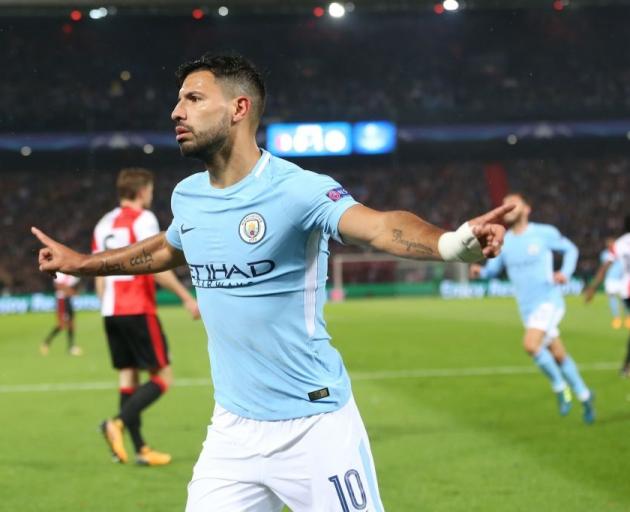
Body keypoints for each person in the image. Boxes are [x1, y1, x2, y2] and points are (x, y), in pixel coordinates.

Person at [32, 53, 510, 511]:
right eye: (179, 100)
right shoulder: (189, 195)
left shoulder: (296, 188)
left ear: (239, 108)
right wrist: (83, 264)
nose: (176, 111)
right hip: (232, 431)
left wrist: (452, 244)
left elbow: (380, 226)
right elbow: (166, 249)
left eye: (194, 99)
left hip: (313, 427)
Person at [92, 167, 200, 466]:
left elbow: (98, 271)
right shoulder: (144, 220)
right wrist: (186, 297)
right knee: (163, 377)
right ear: (142, 192)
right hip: (137, 307)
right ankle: (117, 423)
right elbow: (157, 266)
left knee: (128, 376)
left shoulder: (103, 224)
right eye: (150, 191)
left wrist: (107, 306)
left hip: (111, 310)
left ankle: (139, 449)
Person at [470, 192, 595, 424]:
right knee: (558, 355)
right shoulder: (504, 241)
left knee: (530, 344)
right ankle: (585, 396)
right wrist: (480, 272)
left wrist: (565, 273)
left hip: (549, 301)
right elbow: (492, 270)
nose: (508, 207)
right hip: (527, 309)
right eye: (504, 204)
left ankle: (560, 390)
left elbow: (571, 250)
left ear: (527, 209)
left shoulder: (543, 233)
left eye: (513, 204)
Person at [584, 216, 630, 375]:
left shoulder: (619, 244)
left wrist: (592, 288)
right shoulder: (619, 244)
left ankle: (626, 366)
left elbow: (605, 266)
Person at [40, 272, 83, 356]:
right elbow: (57, 285)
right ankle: (46, 342)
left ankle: (71, 347)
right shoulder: (60, 274)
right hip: (61, 300)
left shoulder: (73, 275)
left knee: (71, 324)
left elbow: (76, 286)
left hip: (68, 300)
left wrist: (74, 291)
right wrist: (70, 291)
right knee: (62, 325)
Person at [598, 237, 629, 329]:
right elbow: (604, 267)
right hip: (610, 279)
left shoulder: (622, 252)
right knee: (612, 298)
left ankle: (628, 318)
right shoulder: (604, 254)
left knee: (624, 299)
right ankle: (617, 318)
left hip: (622, 279)